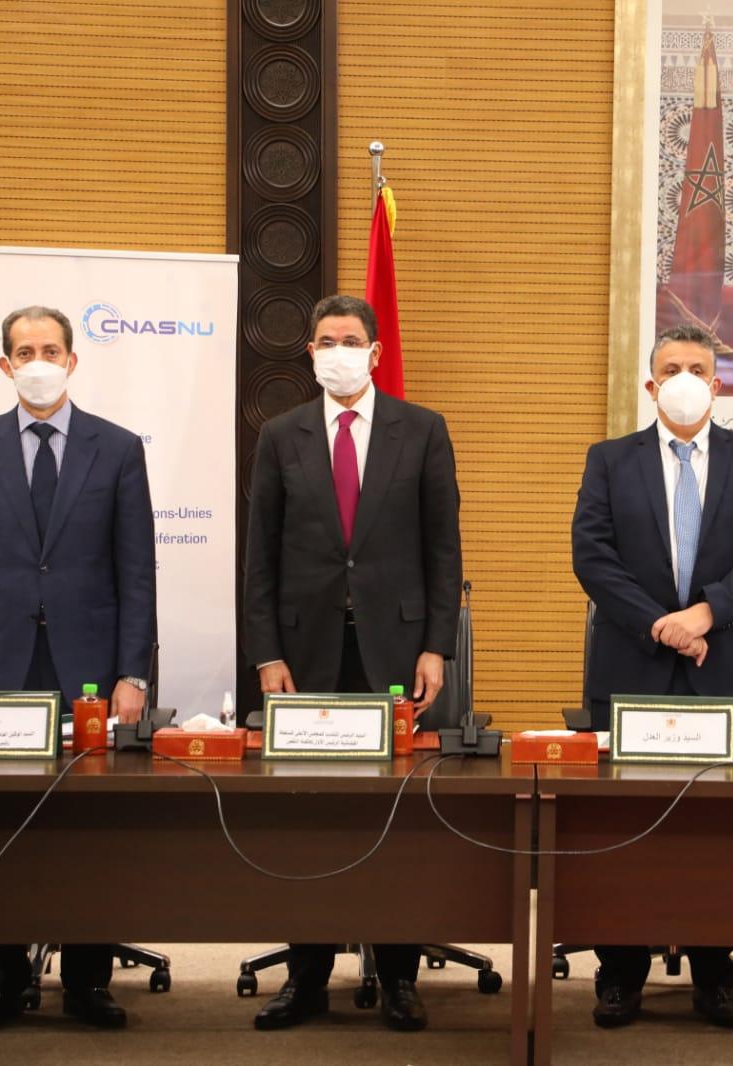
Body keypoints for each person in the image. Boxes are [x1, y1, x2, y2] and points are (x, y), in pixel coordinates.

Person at [0, 305, 157, 1033]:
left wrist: (133, 674)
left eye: (50, 350)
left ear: (71, 361)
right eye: (24, 351)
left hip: (90, 667)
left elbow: (137, 573)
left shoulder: (117, 448)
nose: (38, 362)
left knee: (90, 828)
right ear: (4, 364)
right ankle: (1, 979)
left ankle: (89, 980)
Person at [244, 294, 462, 1033]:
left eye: (351, 340)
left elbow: (443, 549)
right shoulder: (281, 435)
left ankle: (399, 977)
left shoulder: (422, 430)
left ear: (374, 352)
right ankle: (305, 977)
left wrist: (436, 645)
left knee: (398, 823)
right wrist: (266, 652)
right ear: (310, 352)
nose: (337, 351)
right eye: (326, 340)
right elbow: (260, 556)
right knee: (308, 820)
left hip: (395, 648)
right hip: (304, 653)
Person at [571, 323, 733, 1030]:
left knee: (717, 835)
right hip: (630, 664)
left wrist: (704, 613)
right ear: (651, 385)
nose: (685, 379)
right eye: (672, 369)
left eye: (698, 368)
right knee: (621, 831)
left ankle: (714, 975)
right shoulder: (610, 459)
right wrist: (659, 623)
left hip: (723, 664)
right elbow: (592, 556)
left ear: (717, 384)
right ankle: (619, 975)